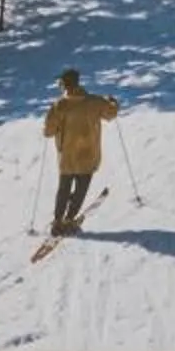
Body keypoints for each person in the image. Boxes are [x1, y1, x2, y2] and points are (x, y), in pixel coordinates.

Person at [41, 69, 120, 236]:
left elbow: (48, 132)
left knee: (63, 188)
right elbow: (111, 113)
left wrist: (50, 122)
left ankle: (57, 221)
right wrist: (113, 102)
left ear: (64, 85)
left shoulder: (59, 106)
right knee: (81, 188)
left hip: (67, 157)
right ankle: (70, 219)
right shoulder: (94, 102)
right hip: (88, 154)